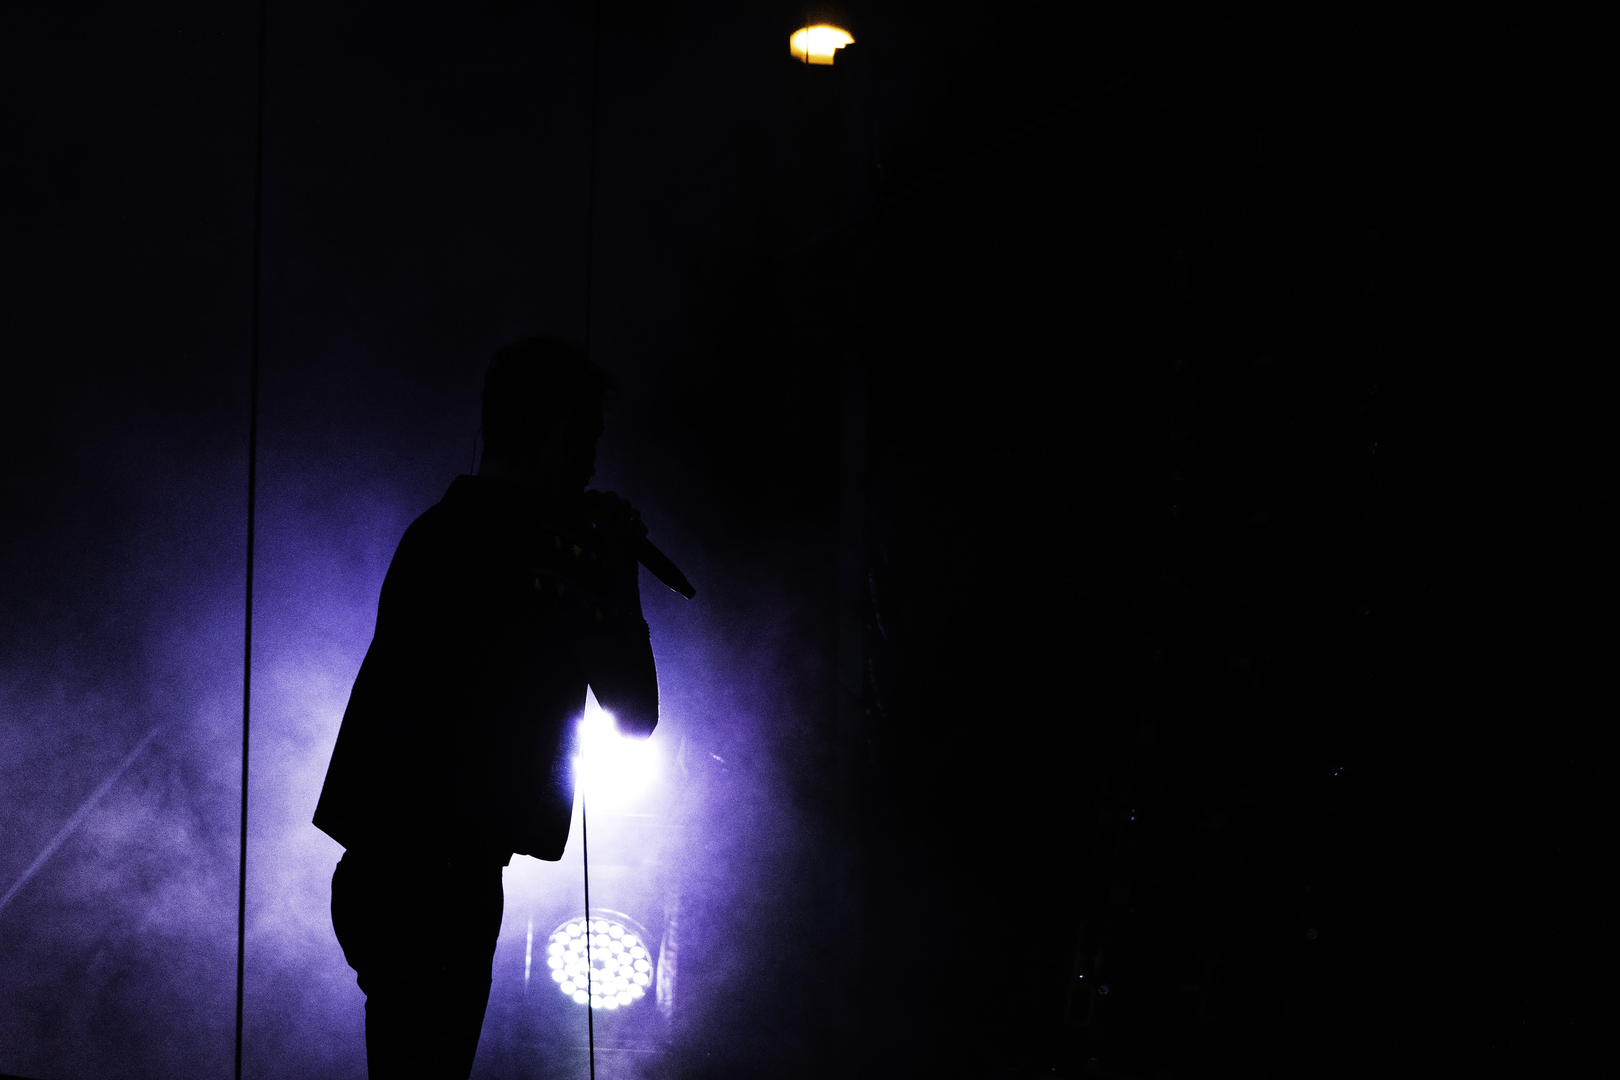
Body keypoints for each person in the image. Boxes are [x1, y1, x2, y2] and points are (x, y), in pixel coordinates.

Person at [313, 337, 659, 1079]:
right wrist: (616, 568)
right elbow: (634, 712)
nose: (593, 467)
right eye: (588, 441)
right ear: (557, 433)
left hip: (379, 868)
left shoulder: (433, 532)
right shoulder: (546, 554)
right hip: (440, 880)